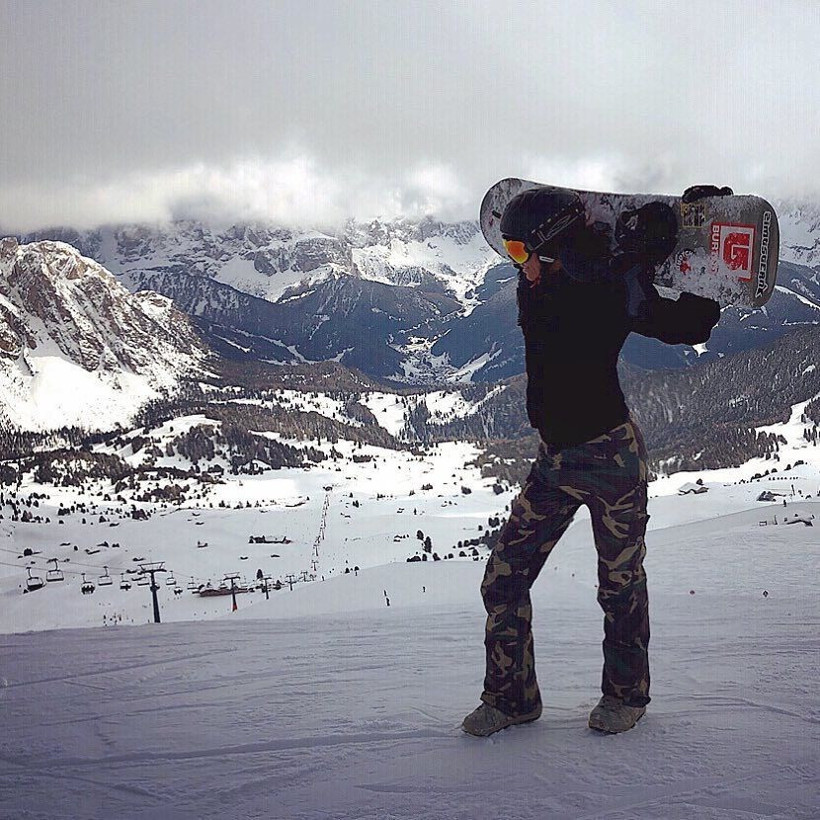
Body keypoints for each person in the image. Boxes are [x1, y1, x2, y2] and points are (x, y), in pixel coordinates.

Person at [462, 185, 725, 736]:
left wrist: (702, 259)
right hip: (555, 460)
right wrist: (637, 257)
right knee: (503, 578)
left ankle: (626, 698)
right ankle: (512, 700)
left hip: (611, 459)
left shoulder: (609, 289)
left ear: (551, 247)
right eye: (509, 252)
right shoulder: (547, 285)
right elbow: (594, 276)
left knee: (619, 582)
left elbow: (690, 327)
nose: (515, 266)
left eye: (518, 252)